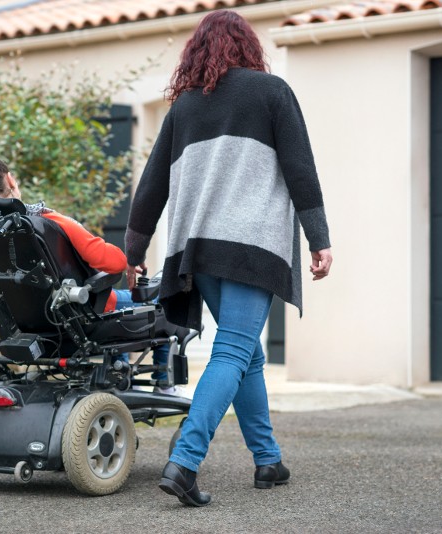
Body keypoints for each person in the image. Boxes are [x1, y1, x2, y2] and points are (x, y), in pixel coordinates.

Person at [123, 10, 333, 507]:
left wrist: (133, 251)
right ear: (248, 47)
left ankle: (268, 460)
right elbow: (301, 169)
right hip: (250, 245)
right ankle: (186, 461)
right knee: (236, 349)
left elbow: (151, 186)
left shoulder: (183, 108)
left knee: (247, 353)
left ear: (197, 51)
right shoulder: (273, 92)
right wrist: (318, 238)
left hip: (196, 250)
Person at [0, 153, 185, 395]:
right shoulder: (46, 222)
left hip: (19, 326)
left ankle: (119, 378)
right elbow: (115, 263)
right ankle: (164, 382)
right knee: (165, 296)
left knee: (110, 304)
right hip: (79, 319)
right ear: (10, 180)